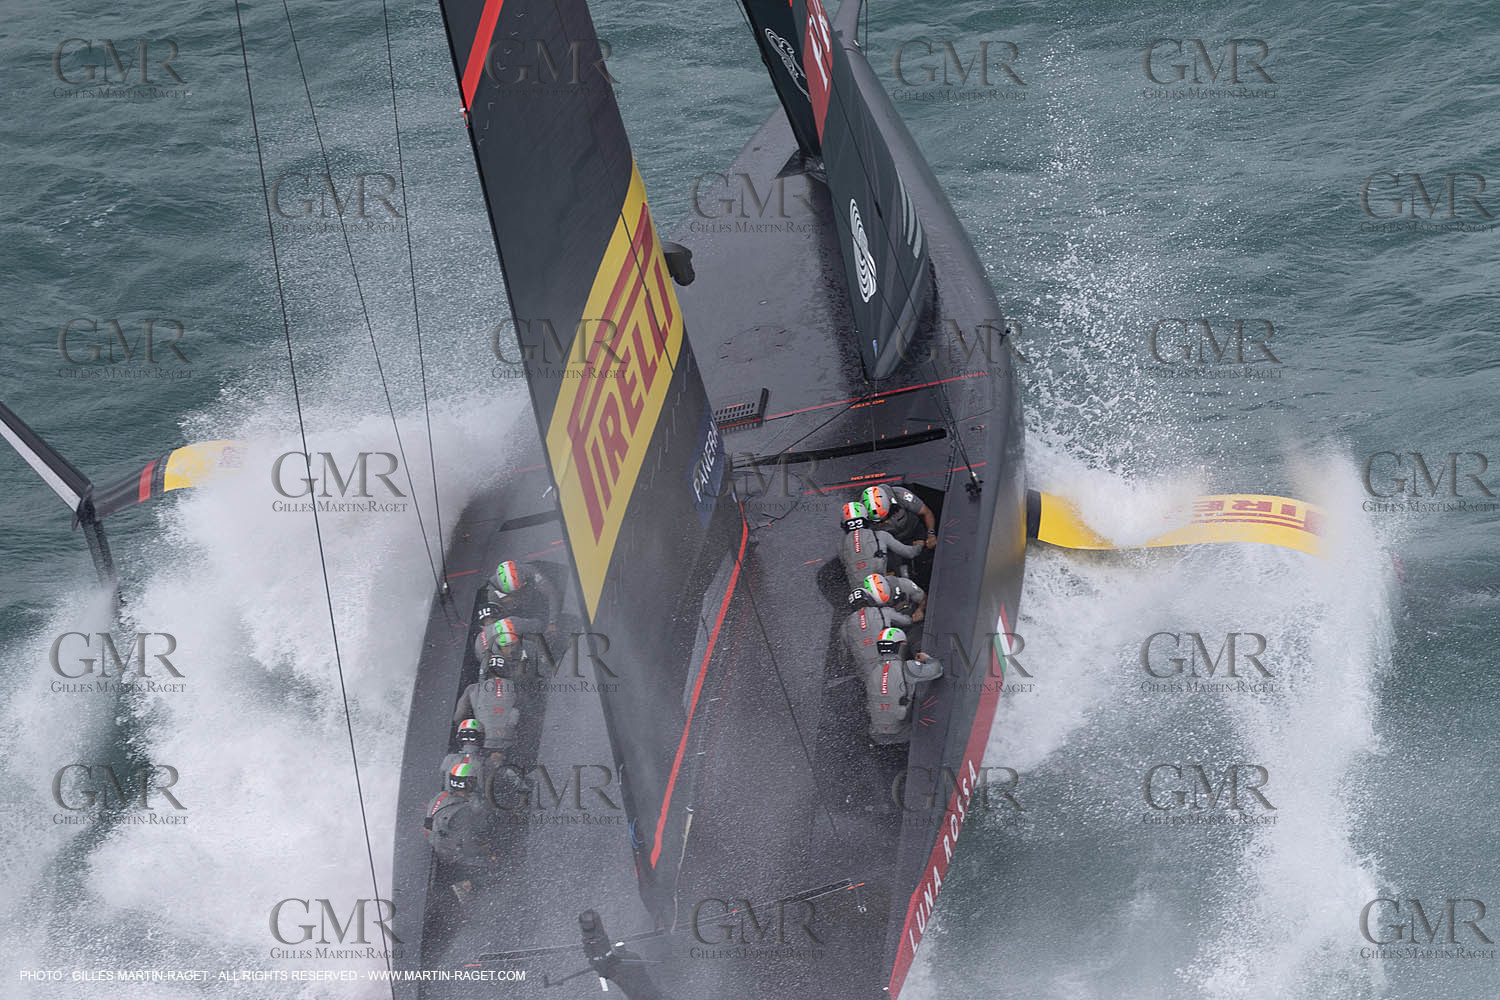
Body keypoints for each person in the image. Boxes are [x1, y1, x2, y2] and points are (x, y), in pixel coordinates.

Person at [861, 627, 944, 744]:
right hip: (903, 734)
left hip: (877, 736)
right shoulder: (906, 667)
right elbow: (937, 670)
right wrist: (927, 659)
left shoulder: (871, 671)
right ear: (900, 646)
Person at [455, 632, 527, 750]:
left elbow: (458, 716)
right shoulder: (516, 688)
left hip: (481, 741)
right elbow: (526, 709)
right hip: (509, 741)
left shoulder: (473, 688)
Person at [423, 760, 495, 870]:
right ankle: (463, 885)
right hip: (453, 857)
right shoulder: (464, 811)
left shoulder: (439, 797)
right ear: (471, 782)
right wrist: (484, 850)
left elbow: (428, 825)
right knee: (493, 868)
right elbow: (468, 848)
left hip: (436, 849)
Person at [838, 501, 923, 584]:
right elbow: (910, 553)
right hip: (881, 587)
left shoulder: (840, 545)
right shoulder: (881, 535)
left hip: (858, 591)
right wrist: (919, 545)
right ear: (866, 518)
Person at [481, 559, 562, 633]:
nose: (518, 594)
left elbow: (551, 593)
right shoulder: (492, 592)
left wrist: (552, 622)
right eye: (513, 593)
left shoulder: (529, 571)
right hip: (517, 616)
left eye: (519, 590)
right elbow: (493, 621)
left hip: (539, 606)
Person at [861, 484, 938, 549]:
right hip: (893, 542)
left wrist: (931, 534)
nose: (884, 520)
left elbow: (926, 512)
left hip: (915, 528)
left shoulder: (901, 495)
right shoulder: (860, 514)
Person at [847, 572, 927, 623]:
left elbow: (923, 598)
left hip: (911, 616)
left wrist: (919, 610)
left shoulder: (906, 585)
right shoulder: (865, 598)